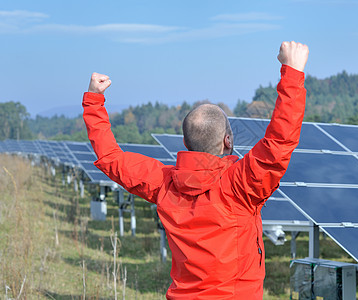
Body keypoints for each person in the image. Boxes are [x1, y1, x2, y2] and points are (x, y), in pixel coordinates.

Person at [83, 41, 309, 299]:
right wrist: (292, 71)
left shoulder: (163, 184)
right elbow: (279, 141)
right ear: (228, 141)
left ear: (185, 144)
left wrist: (94, 100)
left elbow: (112, 158)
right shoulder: (239, 185)